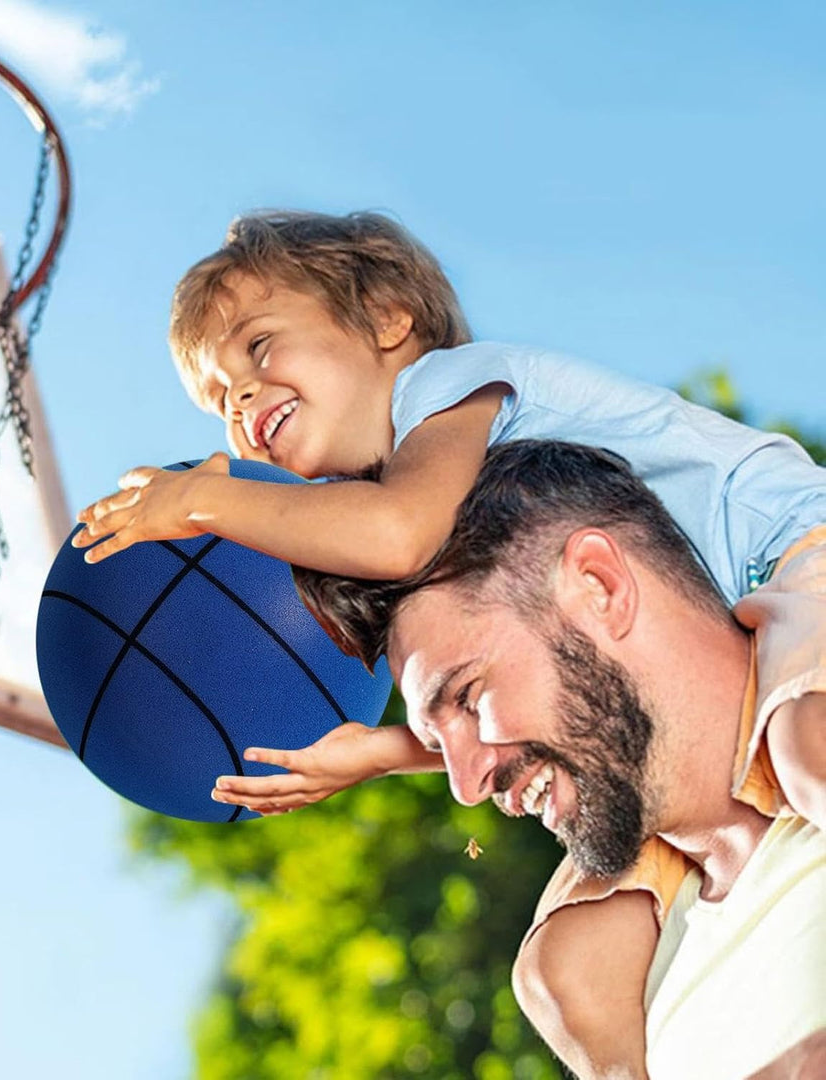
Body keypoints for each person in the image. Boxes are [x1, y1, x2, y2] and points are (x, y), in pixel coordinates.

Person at [71, 211, 826, 1070]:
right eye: (216, 400)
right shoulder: (459, 536)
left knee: (807, 740)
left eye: (259, 348)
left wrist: (202, 504)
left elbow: (395, 535)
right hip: (722, 644)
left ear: (389, 318)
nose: (239, 401)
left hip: (802, 553)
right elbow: (554, 699)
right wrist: (388, 752)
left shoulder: (452, 389)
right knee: (565, 970)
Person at [292, 440, 825, 1078]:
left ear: (599, 585)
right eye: (437, 746)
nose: (465, 784)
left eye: (468, 695)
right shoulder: (637, 995)